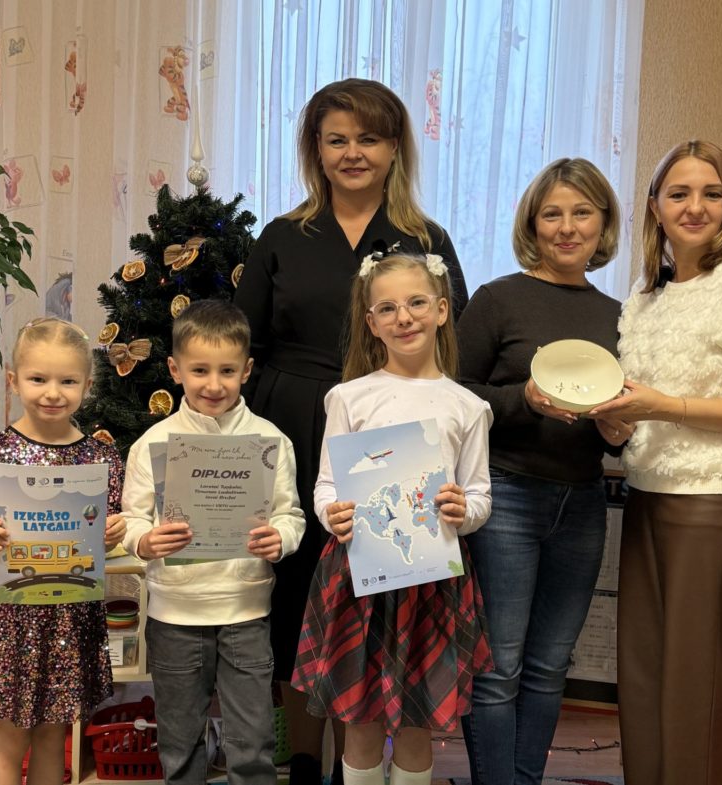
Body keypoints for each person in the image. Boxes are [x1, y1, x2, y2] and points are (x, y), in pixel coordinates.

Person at [234, 77, 469, 784]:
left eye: (368, 138)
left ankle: (358, 761)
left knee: (372, 602)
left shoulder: (426, 240)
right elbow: (244, 340)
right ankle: (304, 758)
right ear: (316, 149)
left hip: (392, 436)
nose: (352, 153)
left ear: (395, 147)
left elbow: (450, 341)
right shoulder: (283, 236)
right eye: (336, 140)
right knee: (294, 593)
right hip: (290, 421)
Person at [588, 140, 722, 785]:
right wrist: (615, 419)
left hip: (713, 502)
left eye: (712, 193)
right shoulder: (645, 296)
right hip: (647, 495)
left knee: (697, 681)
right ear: (655, 206)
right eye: (679, 193)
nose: (695, 207)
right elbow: (639, 405)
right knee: (644, 674)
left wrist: (665, 405)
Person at [455, 158, 632, 785]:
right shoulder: (498, 299)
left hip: (582, 501)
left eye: (582, 212)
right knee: (499, 665)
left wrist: (620, 431)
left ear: (603, 223)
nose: (567, 227)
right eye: (552, 213)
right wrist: (522, 400)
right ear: (532, 224)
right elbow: (455, 395)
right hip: (506, 494)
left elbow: (623, 422)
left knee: (551, 665)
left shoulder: (620, 315)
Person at [291, 253, 492, 785]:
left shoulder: (468, 407)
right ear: (372, 322)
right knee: (360, 722)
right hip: (358, 575)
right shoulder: (349, 397)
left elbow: (479, 496)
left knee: (418, 726)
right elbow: (327, 485)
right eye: (388, 308)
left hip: (433, 584)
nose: (404, 317)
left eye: (417, 303)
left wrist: (464, 511)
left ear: (442, 310)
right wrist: (332, 513)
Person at [120, 299, 305, 785]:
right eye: (199, 370)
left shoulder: (270, 441)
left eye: (227, 370)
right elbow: (132, 521)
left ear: (247, 370)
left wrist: (280, 539)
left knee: (253, 742)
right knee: (179, 741)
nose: (214, 384)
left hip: (245, 611)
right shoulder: (152, 443)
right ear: (175, 370)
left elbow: (290, 515)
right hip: (175, 615)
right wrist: (146, 542)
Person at [0, 317, 126, 785]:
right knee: (10, 738)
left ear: (87, 385)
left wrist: (113, 534)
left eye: (67, 381)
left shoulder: (101, 460)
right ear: (13, 381)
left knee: (55, 736)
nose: (53, 393)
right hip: (11, 620)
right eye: (38, 379)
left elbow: (102, 537)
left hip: (71, 616)